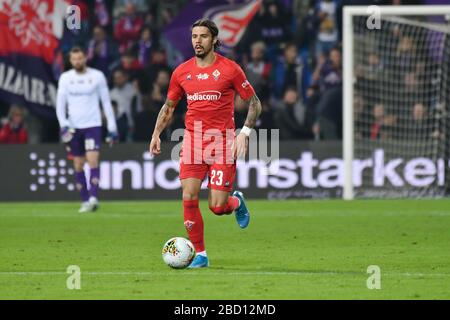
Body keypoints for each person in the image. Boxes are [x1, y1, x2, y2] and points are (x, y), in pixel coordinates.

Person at [149, 19, 262, 268]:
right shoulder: (181, 72)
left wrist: (244, 133)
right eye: (194, 36)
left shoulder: (230, 69)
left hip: (222, 143)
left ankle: (236, 202)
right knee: (188, 196)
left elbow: (254, 103)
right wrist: (156, 133)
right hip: (192, 141)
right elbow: (169, 108)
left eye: (202, 36)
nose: (197, 41)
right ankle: (200, 254)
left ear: (214, 40)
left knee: (217, 207)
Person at [56, 47, 118, 213]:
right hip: (73, 127)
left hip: (93, 124)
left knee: (92, 159)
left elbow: (106, 102)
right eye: (74, 59)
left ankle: (93, 197)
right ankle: (84, 200)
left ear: (85, 58)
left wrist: (112, 126)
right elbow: (60, 104)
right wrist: (63, 125)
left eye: (80, 58)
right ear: (70, 61)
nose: (78, 61)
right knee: (78, 164)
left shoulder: (97, 76)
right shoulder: (65, 78)